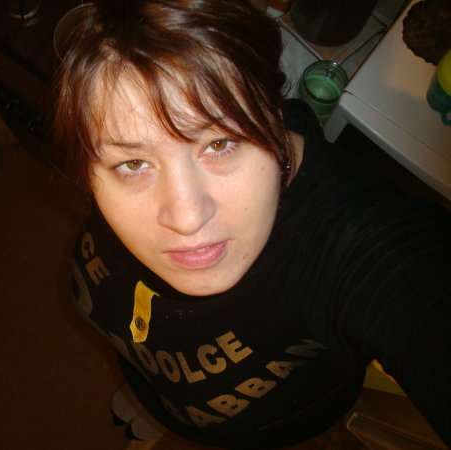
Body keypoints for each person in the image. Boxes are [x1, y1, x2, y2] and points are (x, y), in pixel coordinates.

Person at [52, 0, 451, 448]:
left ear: (271, 112)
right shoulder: (106, 142)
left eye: (219, 142)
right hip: (153, 386)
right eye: (133, 163)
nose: (186, 218)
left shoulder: (353, 241)